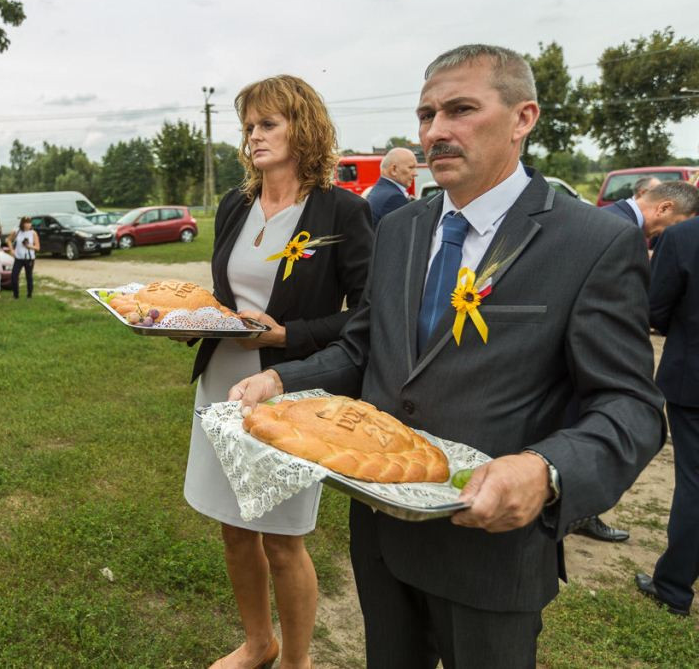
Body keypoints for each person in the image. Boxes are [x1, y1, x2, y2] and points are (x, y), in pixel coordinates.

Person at [231, 45, 664, 668]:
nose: (436, 131)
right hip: (382, 538)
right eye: (426, 115)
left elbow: (631, 406)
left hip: (489, 552)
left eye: (461, 110)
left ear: (523, 118)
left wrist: (546, 472)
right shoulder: (402, 228)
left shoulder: (591, 241)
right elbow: (365, 347)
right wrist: (280, 377)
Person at [185, 75, 373, 669]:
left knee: (283, 538)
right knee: (233, 526)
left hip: (290, 390)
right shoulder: (234, 204)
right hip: (222, 384)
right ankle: (257, 643)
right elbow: (225, 293)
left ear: (304, 127)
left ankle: (297, 661)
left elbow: (369, 316)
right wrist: (193, 319)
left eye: (268, 124)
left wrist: (289, 336)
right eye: (248, 128)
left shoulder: (343, 210)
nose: (255, 137)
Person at [575, 180, 699, 541]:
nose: (670, 235)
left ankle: (582, 510)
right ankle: (579, 509)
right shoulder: (615, 227)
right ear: (664, 208)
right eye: (680, 222)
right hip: (593, 351)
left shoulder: (623, 225)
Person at [635, 189, 699, 617]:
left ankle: (673, 586)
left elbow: (655, 310)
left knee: (694, 483)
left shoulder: (683, 237)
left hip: (692, 380)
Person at [367, 147, 418, 227]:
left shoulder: (379, 191)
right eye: (411, 167)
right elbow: (402, 235)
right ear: (393, 170)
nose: (415, 173)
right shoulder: (394, 198)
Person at [7, 217, 39, 299]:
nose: (28, 225)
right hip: (19, 258)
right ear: (22, 223)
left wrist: (29, 246)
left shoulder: (33, 233)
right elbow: (8, 240)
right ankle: (15, 295)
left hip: (29, 258)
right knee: (14, 275)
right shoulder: (17, 231)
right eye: (26, 223)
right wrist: (11, 250)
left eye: (29, 223)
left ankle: (29, 294)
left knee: (29, 276)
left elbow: (37, 247)